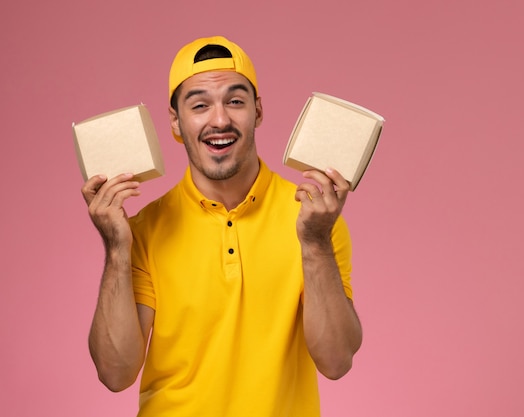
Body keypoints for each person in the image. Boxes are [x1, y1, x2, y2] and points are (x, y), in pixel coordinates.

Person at [81, 36, 363, 416]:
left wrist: (314, 244)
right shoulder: (145, 229)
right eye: (199, 105)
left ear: (258, 111)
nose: (219, 120)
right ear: (176, 122)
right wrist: (116, 247)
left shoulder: (314, 218)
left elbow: (337, 361)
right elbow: (115, 373)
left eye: (235, 101)